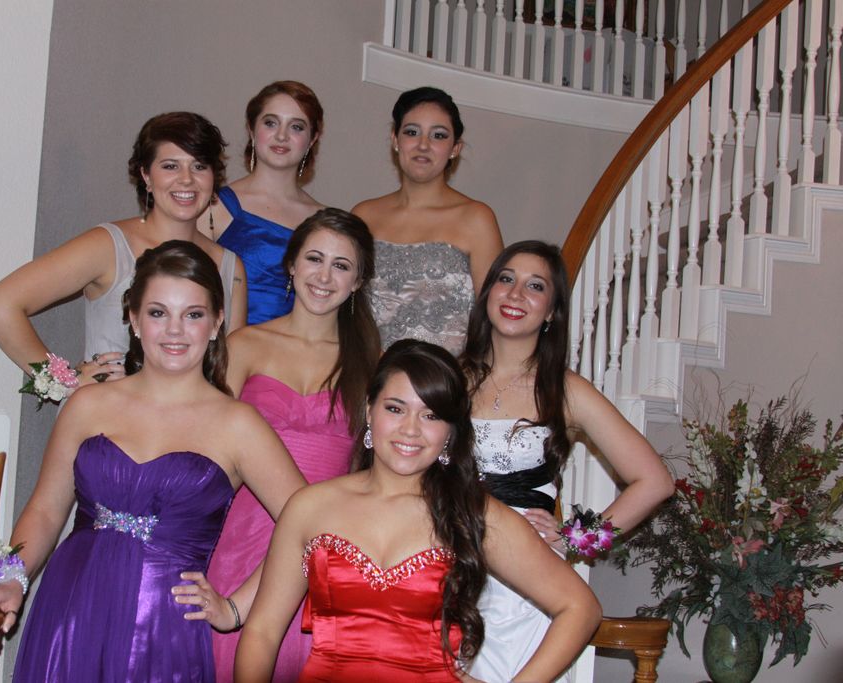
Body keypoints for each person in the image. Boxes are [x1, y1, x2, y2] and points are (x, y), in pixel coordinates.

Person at [0, 241, 305, 682]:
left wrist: (236, 608)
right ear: (134, 319)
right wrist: (13, 579)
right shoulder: (88, 405)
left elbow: (311, 529)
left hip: (164, 629)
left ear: (217, 322)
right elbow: (45, 509)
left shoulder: (239, 425)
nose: (175, 330)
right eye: (158, 313)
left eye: (193, 315)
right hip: (71, 611)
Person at [236, 340, 602, 682]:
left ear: (451, 431)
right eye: (395, 409)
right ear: (369, 410)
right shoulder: (310, 507)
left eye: (431, 415)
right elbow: (262, 631)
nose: (410, 430)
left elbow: (579, 607)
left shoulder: (472, 513)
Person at [459, 241, 675, 681]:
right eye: (506, 279)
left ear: (552, 312)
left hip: (526, 589)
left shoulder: (566, 390)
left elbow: (655, 482)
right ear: (488, 294)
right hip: (450, 565)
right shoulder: (449, 378)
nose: (516, 294)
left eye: (535, 286)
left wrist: (576, 541)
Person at [207, 208, 381, 681]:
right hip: (239, 539)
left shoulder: (373, 363)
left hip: (331, 545)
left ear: (358, 281)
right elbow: (206, 448)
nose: (324, 277)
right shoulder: (244, 345)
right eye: (314, 259)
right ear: (291, 264)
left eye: (341, 266)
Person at [0, 112, 247, 394]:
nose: (186, 179)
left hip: (189, 420)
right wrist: (62, 382)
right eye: (170, 166)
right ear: (146, 175)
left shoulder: (230, 266)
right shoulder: (107, 245)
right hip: (105, 416)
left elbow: (229, 371)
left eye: (199, 166)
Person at [352, 87, 503, 356]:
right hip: (369, 373)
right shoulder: (364, 215)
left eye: (438, 135)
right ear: (395, 140)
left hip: (444, 376)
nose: (423, 145)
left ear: (455, 148)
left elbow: (493, 320)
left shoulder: (477, 219)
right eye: (412, 132)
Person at [200, 80, 324, 325]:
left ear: (312, 139)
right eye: (270, 123)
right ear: (251, 129)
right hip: (224, 344)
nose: (282, 136)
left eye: (296, 127)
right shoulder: (214, 206)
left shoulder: (324, 222)